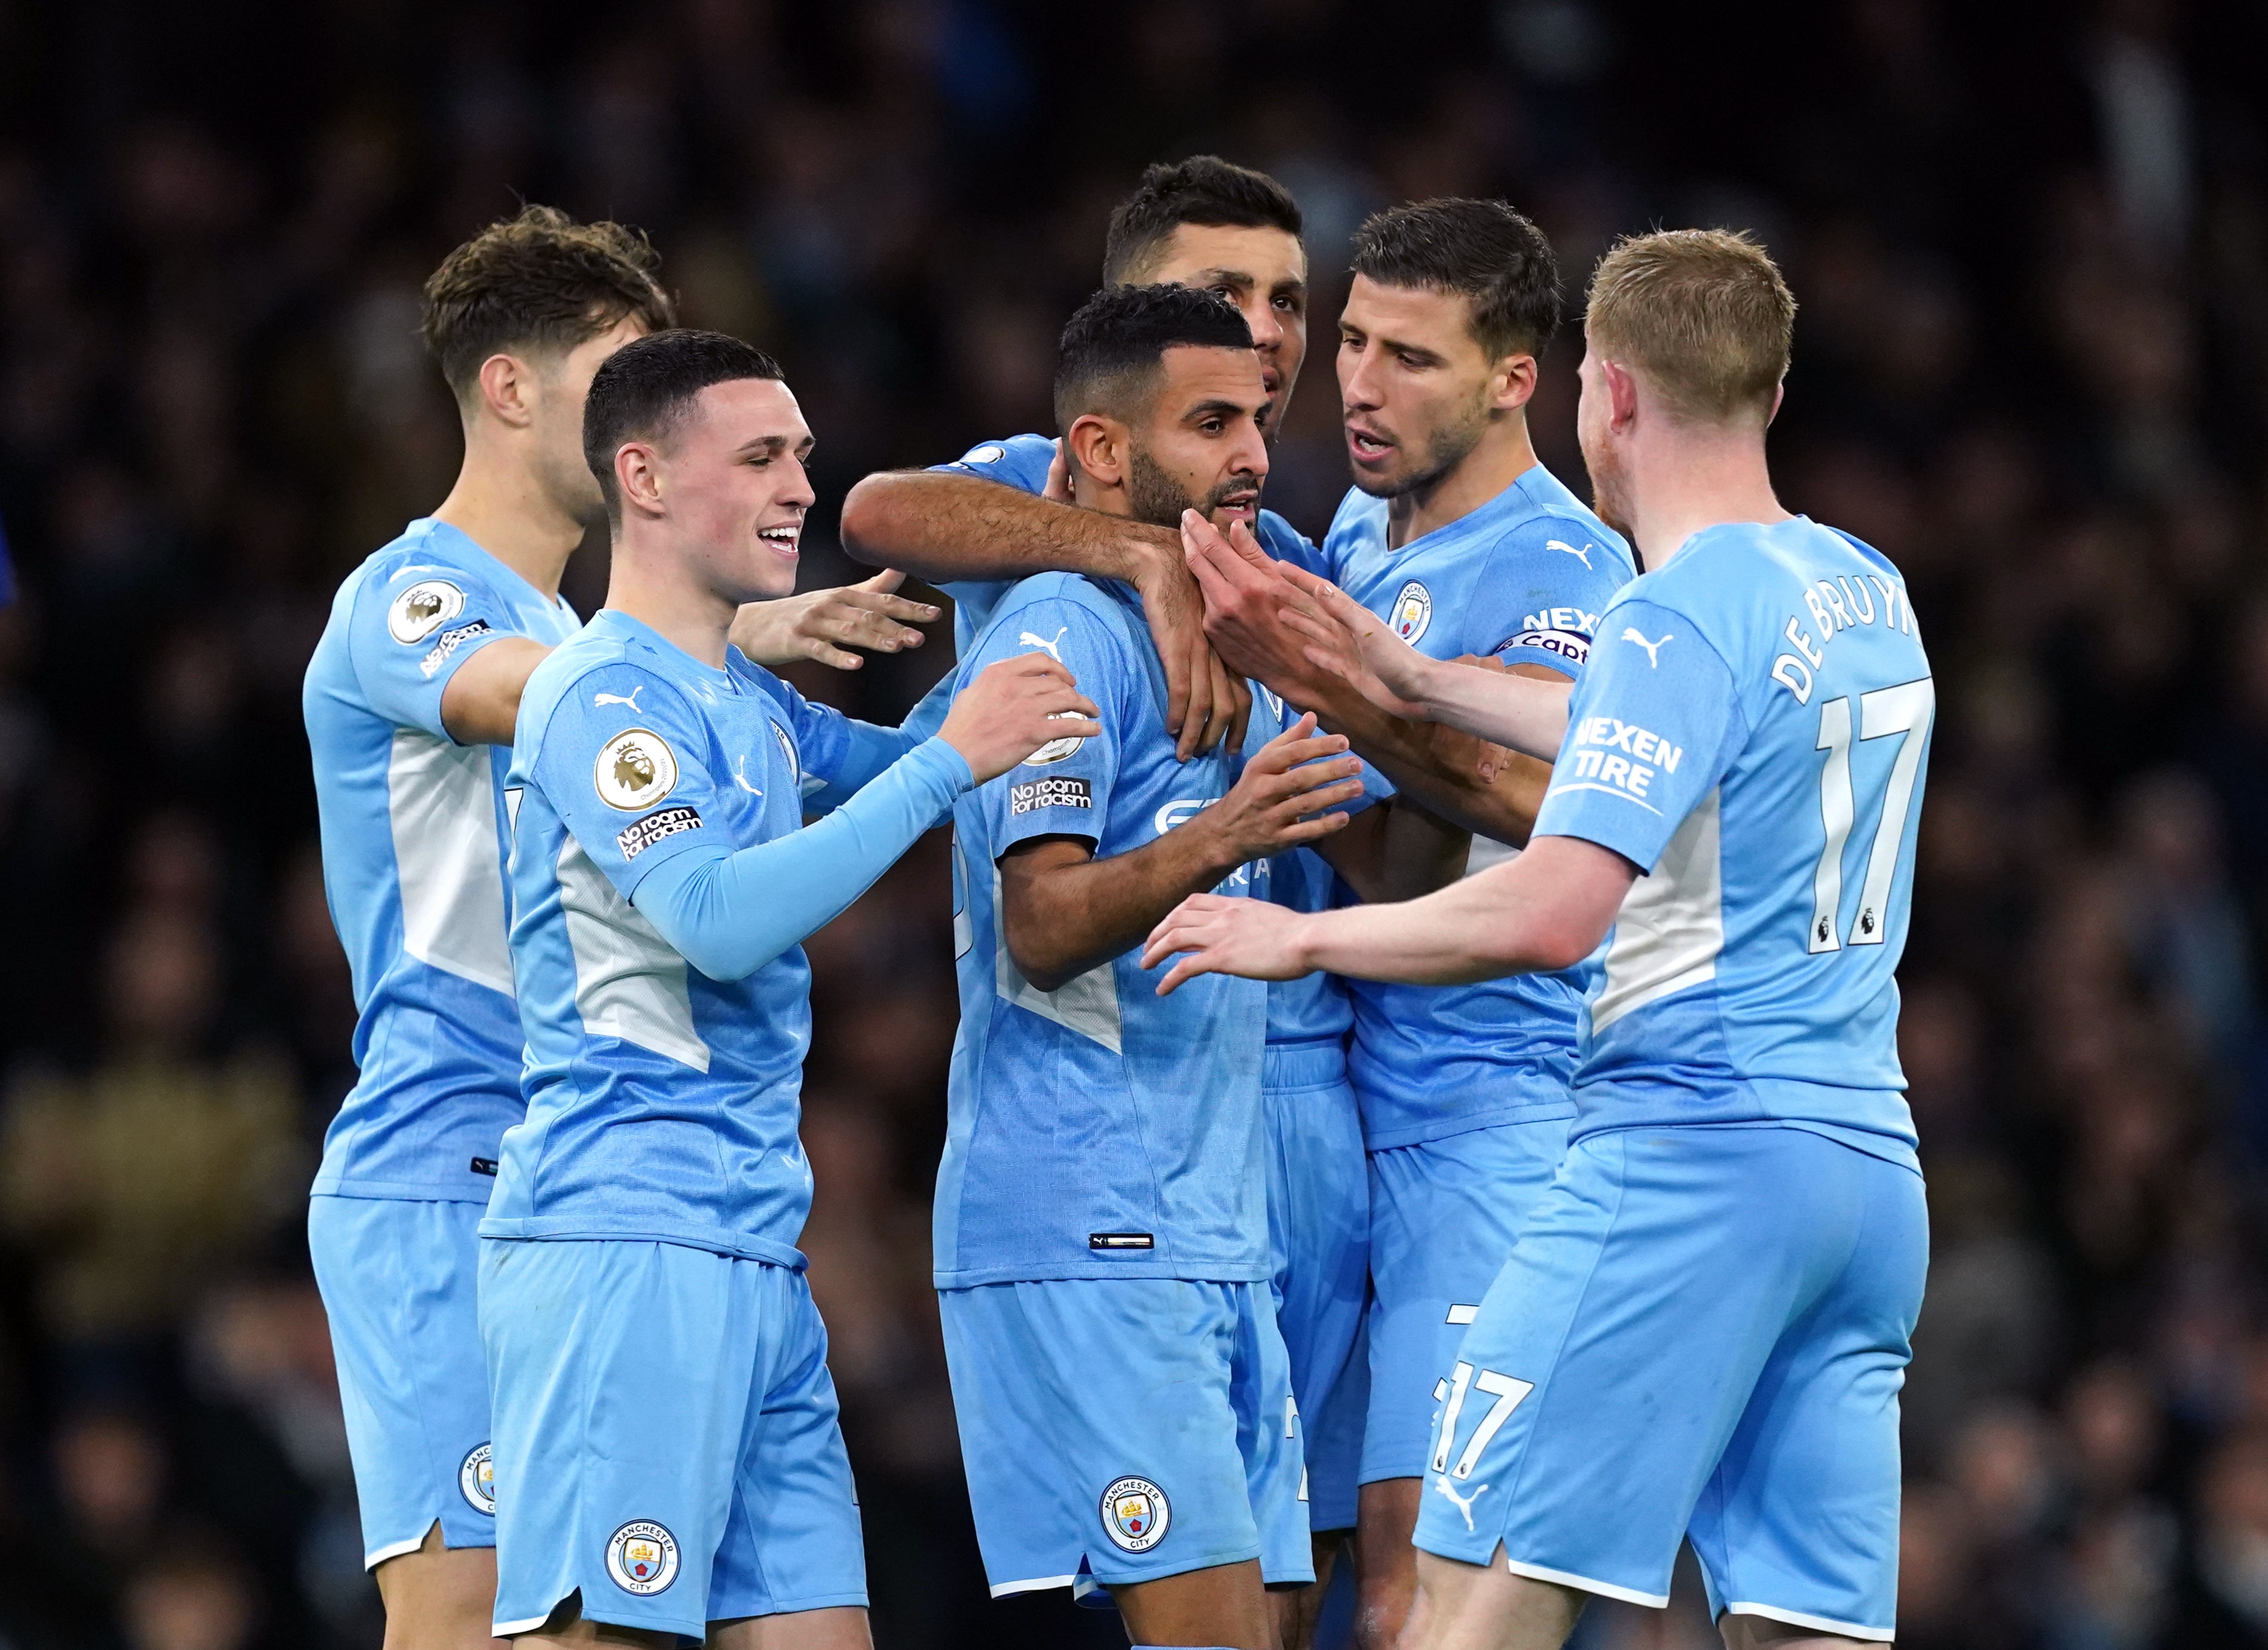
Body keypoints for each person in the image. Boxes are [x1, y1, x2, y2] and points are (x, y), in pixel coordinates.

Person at [1146, 229, 1931, 1649]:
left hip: (1690, 1149)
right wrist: (1413, 675)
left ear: (1605, 397)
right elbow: (1674, 732)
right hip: (1865, 1177)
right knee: (1801, 1628)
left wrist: (1310, 943)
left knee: (1464, 1586)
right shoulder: (1858, 584)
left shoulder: (1670, 607)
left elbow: (1556, 908)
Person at [301, 208, 936, 1650]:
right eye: (617, 372)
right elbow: (560, 696)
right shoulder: (416, 596)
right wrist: (720, 632)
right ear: (514, 389)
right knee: (470, 1620)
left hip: (597, 1163)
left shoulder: (613, 635)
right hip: (442, 1163)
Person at [845, 157, 1402, 1637]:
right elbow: (880, 509)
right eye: (1229, 305)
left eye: (1290, 308)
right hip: (1092, 1194)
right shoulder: (1054, 581)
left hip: (1226, 1180)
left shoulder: (1279, 558)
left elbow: (1391, 841)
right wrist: (1134, 555)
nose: (1271, 341)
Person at [479, 328, 1097, 1648]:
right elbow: (712, 916)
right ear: (642, 477)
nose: (801, 488)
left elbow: (905, 757)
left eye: (802, 457)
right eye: (760, 456)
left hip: (757, 1247)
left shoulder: (743, 697)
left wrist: (1049, 587)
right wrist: (952, 763)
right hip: (625, 1236)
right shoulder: (599, 696)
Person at [1182, 197, 1634, 1649]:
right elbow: (1387, 849)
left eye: (1413, 360)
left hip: (1490, 1125)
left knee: (1418, 1601)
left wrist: (1321, 674)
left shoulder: (1565, 569)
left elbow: (1520, 807)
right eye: (1354, 340)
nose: (1360, 386)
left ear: (1516, 378)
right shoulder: (1353, 537)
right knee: (1313, 1582)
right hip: (1346, 1129)